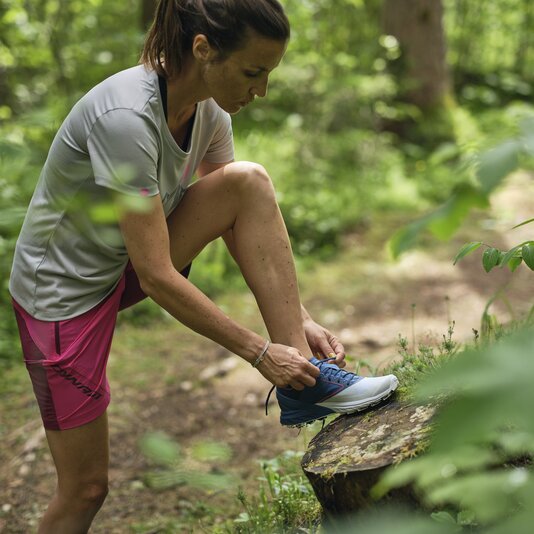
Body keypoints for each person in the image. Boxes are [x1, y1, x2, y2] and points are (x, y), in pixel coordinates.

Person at [9, 0, 398, 531]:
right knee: (85, 490)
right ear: (203, 48)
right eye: (253, 72)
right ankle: (289, 369)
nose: (260, 90)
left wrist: (297, 318)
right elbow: (157, 276)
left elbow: (239, 213)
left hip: (127, 258)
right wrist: (259, 353)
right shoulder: (125, 119)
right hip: (63, 294)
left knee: (249, 179)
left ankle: (306, 386)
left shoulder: (209, 109)